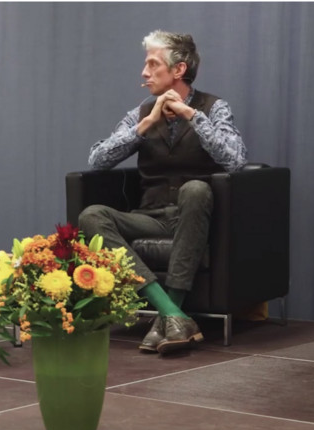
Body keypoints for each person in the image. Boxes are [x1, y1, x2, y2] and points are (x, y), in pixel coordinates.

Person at [80, 30, 247, 354]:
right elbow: (97, 160)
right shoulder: (140, 112)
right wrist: (144, 126)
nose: (144, 73)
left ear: (178, 69)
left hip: (194, 216)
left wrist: (193, 117)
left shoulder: (213, 108)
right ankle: (172, 314)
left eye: (152, 64)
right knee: (91, 217)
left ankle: (172, 312)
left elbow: (236, 160)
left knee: (197, 189)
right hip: (152, 216)